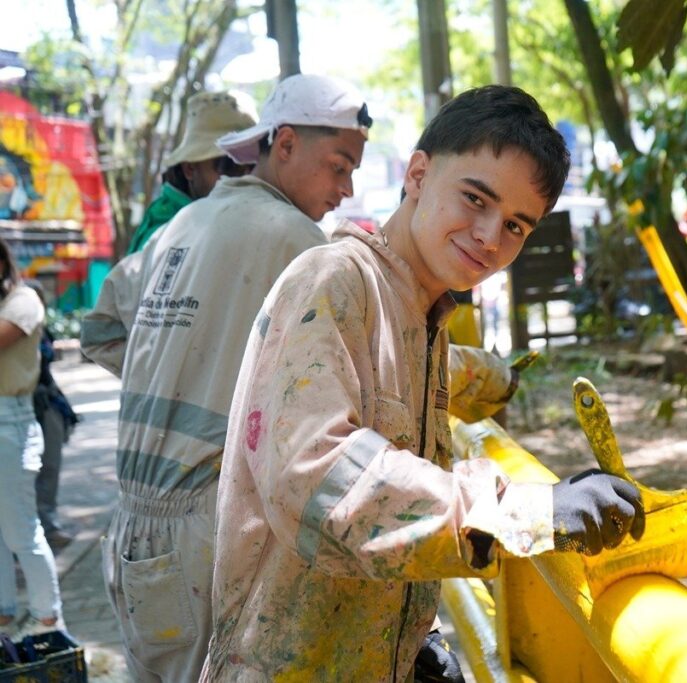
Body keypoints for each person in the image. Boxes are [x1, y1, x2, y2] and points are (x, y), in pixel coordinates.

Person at [81, 74, 518, 682]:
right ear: (284, 144)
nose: (346, 189)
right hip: (205, 521)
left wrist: (188, 369)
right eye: (339, 166)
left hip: (131, 525)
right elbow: (351, 399)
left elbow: (99, 329)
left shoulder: (175, 230)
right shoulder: (301, 246)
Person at [201, 85, 646, 681]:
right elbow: (317, 479)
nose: (490, 236)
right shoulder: (334, 281)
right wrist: (529, 511)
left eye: (516, 225)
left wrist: (412, 638)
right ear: (417, 173)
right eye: (475, 198)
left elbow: (393, 495)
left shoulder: (425, 313)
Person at [0, 238, 65, 639]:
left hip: (10, 422)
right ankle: (4, 616)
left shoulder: (24, 300)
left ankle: (47, 620)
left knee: (21, 531)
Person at [125, 91, 256, 254]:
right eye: (229, 166)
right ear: (190, 169)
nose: (245, 178)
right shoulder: (162, 237)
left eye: (252, 164)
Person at [22, 280, 79, 550]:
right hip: (20, 409)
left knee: (50, 467)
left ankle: (48, 525)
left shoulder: (42, 330)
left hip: (47, 405)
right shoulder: (13, 329)